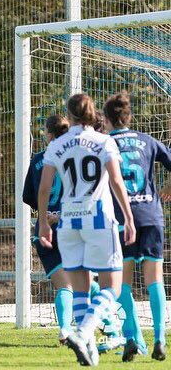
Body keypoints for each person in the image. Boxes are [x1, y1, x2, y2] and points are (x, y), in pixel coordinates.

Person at [38, 93, 136, 366]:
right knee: (111, 288)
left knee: (80, 289)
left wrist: (44, 221)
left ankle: (89, 352)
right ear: (93, 113)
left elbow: (44, 188)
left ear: (69, 116)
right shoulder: (104, 141)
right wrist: (128, 217)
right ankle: (83, 333)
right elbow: (116, 181)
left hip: (68, 223)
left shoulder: (57, 145)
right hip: (98, 219)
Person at [103, 92, 171, 362]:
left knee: (123, 282)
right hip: (151, 215)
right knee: (155, 278)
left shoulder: (105, 143)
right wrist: (168, 186)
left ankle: (131, 337)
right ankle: (160, 338)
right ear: (129, 117)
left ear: (107, 119)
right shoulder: (147, 140)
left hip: (123, 217)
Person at [23, 115, 73, 343]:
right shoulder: (76, 156)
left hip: (45, 228)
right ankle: (106, 321)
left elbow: (29, 197)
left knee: (66, 285)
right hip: (74, 225)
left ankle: (66, 328)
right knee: (81, 281)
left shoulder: (37, 160)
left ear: (49, 134)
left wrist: (47, 214)